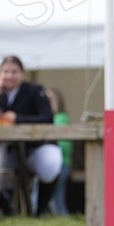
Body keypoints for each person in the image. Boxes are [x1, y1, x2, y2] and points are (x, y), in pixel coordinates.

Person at [0, 56, 63, 215]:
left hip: (34, 147)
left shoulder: (35, 91)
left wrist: (17, 118)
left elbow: (47, 118)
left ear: (22, 74)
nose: (9, 76)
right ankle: (7, 209)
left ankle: (40, 210)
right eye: (5, 72)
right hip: (3, 150)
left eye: (14, 72)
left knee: (50, 165)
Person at [45, 87, 73, 216]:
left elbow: (65, 144)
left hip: (61, 163)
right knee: (55, 196)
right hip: (59, 163)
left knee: (55, 197)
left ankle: (63, 217)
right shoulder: (55, 118)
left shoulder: (60, 118)